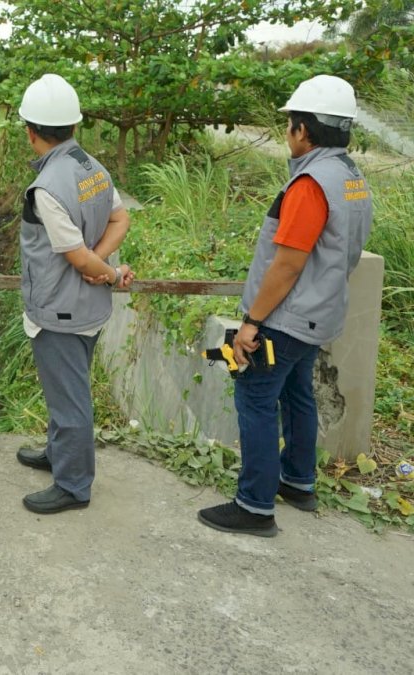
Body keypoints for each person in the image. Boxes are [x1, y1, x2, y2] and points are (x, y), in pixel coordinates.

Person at [198, 75, 373, 538]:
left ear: (304, 129)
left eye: (291, 125)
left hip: (286, 318)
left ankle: (254, 506)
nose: (288, 134)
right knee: (297, 393)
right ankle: (298, 482)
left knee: (255, 396)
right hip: (320, 314)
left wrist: (251, 323)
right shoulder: (351, 177)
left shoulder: (311, 184)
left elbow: (288, 263)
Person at [12, 74, 133, 515]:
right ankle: (58, 454)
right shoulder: (91, 167)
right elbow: (121, 222)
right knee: (65, 389)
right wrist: (103, 267)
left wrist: (100, 270)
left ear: (31, 130)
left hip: (60, 312)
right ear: (73, 127)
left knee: (70, 398)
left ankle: (73, 485)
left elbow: (77, 259)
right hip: (88, 309)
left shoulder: (47, 188)